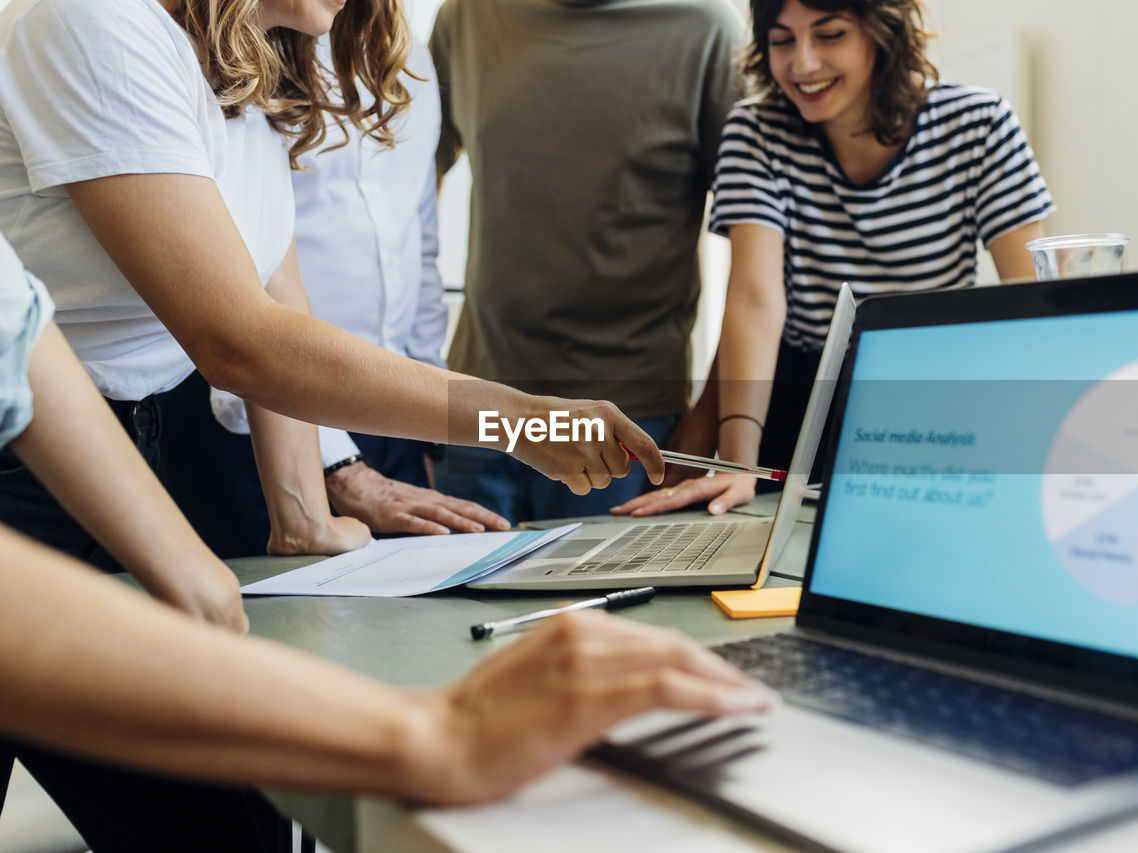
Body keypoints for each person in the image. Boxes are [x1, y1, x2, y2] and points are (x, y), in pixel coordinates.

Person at [0, 233, 772, 851]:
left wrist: (213, 564)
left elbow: (23, 337)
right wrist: (433, 734)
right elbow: (247, 346)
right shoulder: (101, 36)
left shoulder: (249, 99)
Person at [0, 0, 664, 566]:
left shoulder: (243, 60)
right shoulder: (91, 24)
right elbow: (238, 341)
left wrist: (303, 520)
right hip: (31, 450)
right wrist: (519, 423)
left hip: (135, 432)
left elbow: (274, 294)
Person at [613, 0, 1054, 519]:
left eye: (830, 35)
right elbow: (756, 301)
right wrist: (737, 464)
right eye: (782, 41)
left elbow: (1032, 300)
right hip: (802, 400)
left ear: (881, 34)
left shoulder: (981, 124)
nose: (803, 64)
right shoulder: (756, 132)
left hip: (931, 392)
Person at [429, 0, 744, 522]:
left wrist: (709, 421)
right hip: (480, 411)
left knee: (601, 606)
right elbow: (406, 186)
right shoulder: (466, 17)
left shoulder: (707, 31)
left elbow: (760, 261)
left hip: (627, 423)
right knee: (452, 604)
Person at [194, 37, 510, 557]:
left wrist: (430, 438)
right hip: (262, 422)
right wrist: (335, 463)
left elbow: (419, 237)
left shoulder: (411, 58)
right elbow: (230, 297)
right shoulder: (241, 51)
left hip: (395, 415)